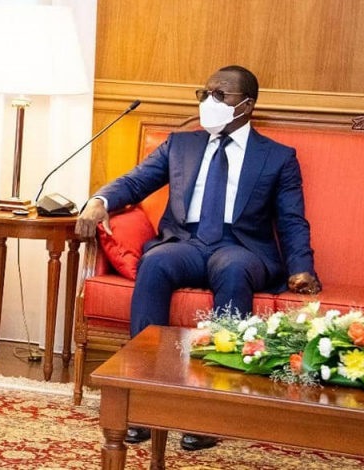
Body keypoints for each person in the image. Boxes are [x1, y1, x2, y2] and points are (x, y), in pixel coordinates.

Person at [75, 65, 320, 451]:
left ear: (247, 105)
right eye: (204, 94)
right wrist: (100, 201)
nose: (209, 102)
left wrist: (301, 268)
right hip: (185, 243)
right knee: (156, 263)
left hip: (240, 248)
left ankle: (211, 408)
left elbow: (291, 219)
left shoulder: (277, 157)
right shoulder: (180, 145)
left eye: (220, 95)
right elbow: (136, 181)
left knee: (233, 269)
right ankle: (142, 397)